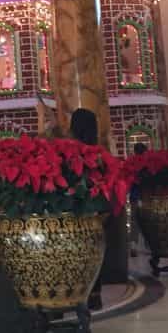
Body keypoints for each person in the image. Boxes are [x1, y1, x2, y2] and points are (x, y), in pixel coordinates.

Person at [69, 109, 102, 311]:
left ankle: (78, 296)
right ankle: (95, 296)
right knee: (94, 251)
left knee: (77, 254)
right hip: (95, 211)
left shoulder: (72, 151)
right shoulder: (97, 151)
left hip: (76, 210)